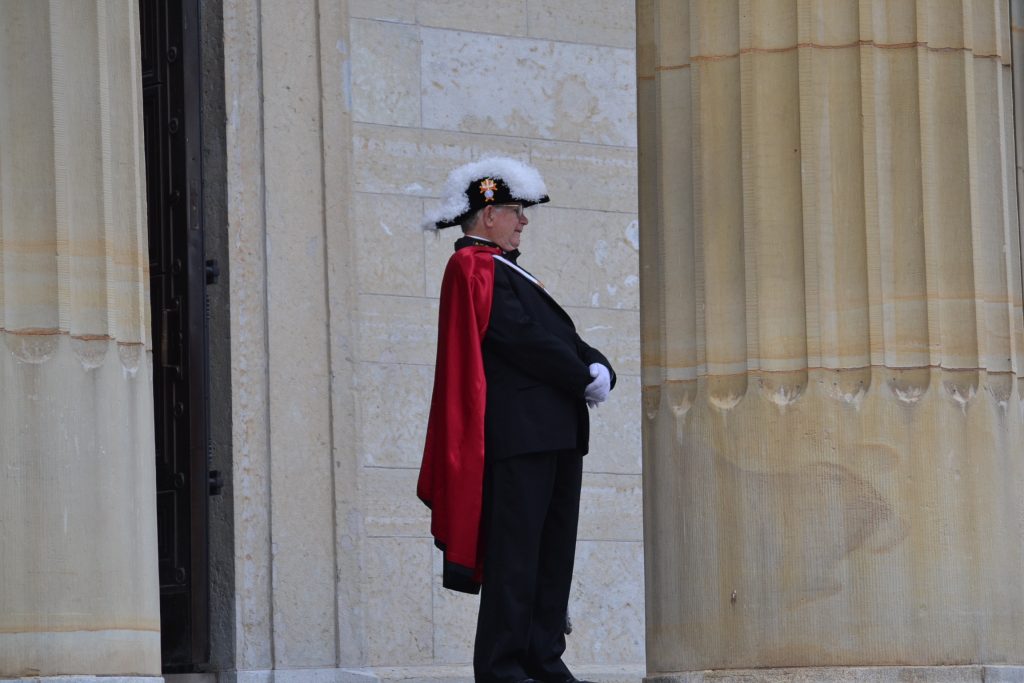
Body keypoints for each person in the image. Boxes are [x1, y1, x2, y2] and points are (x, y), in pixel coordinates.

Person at [417, 157, 615, 683]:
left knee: (552, 558)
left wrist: (597, 364)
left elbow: (556, 333)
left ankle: (542, 659)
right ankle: (504, 667)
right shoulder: (472, 266)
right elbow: (519, 336)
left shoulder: (507, 269)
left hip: (555, 433)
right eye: (513, 211)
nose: (522, 221)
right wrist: (580, 375)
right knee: (517, 558)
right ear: (487, 216)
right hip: (519, 437)